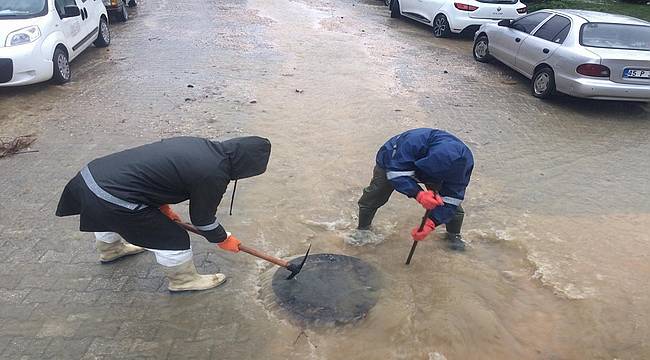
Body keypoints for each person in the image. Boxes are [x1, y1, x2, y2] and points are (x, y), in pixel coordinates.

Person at [56, 136, 271, 291]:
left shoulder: (202, 146)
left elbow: (160, 175)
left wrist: (163, 207)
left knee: (111, 215)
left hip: (90, 178)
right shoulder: (214, 174)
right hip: (112, 196)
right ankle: (184, 281)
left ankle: (111, 250)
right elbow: (203, 220)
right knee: (172, 237)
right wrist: (224, 239)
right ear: (246, 167)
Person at [357, 128, 474, 251]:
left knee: (449, 206)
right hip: (394, 162)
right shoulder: (411, 143)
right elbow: (395, 174)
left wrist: (431, 222)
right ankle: (363, 229)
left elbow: (452, 198)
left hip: (439, 172)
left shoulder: (462, 165)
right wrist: (419, 194)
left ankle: (453, 235)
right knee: (376, 193)